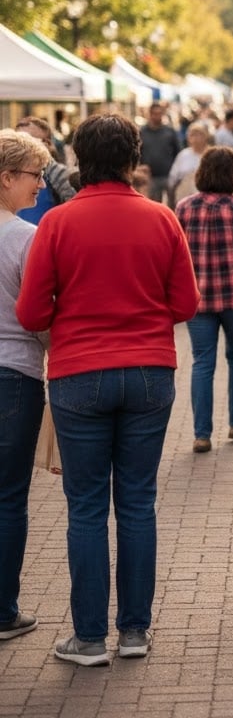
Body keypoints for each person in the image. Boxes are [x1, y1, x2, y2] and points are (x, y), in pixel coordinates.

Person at [16, 113, 200, 666]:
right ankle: (136, 631)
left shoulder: (58, 223)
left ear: (78, 158)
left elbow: (29, 311)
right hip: (149, 371)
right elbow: (186, 304)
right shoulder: (162, 219)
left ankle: (90, 637)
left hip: (78, 374)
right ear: (131, 160)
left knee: (87, 509)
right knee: (138, 503)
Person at [175, 146, 233, 454]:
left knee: (202, 362)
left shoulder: (184, 208)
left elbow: (175, 256)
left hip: (197, 301)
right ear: (232, 174)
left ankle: (202, 434)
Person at [0, 129, 51, 642]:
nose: (40, 184)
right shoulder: (23, 237)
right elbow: (37, 315)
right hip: (13, 372)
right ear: (6, 178)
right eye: (34, 175)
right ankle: (2, 610)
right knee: (9, 496)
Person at [14, 116, 77, 224]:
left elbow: (73, 214)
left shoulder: (60, 176)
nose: (20, 147)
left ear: (47, 144)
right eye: (16, 141)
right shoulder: (8, 175)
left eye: (28, 141)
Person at [139, 103, 180, 204]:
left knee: (172, 204)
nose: (157, 116)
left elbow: (177, 151)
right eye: (154, 113)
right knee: (153, 204)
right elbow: (138, 151)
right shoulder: (142, 132)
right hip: (151, 177)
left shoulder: (169, 131)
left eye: (159, 113)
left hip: (169, 175)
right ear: (150, 114)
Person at [167, 121, 211, 206]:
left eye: (199, 134)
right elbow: (173, 178)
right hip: (185, 201)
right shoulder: (183, 155)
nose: (195, 138)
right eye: (192, 135)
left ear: (206, 136)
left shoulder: (211, 154)